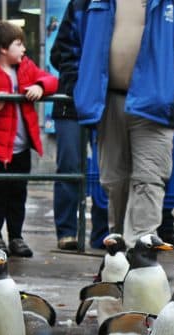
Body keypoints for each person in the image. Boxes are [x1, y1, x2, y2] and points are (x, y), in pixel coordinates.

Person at [52, 0, 174, 248]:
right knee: (114, 180)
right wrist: (82, 83)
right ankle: (121, 248)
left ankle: (139, 249)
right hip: (107, 101)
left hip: (156, 104)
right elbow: (65, 47)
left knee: (149, 178)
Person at [0, 21, 58, 258]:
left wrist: (40, 86)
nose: (24, 49)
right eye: (18, 44)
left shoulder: (26, 67)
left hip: (21, 146)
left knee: (19, 193)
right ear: (3, 49)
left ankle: (16, 236)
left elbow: (51, 79)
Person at [48, 67, 109, 251]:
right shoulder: (71, 38)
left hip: (102, 104)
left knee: (106, 168)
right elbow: (59, 55)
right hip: (70, 102)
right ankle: (67, 232)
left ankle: (103, 233)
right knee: (69, 167)